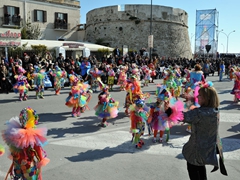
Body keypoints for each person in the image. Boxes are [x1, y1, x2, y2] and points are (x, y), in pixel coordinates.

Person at [182, 82, 228, 180]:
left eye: (200, 95)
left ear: (206, 99)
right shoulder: (214, 110)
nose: (197, 97)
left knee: (194, 171)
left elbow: (182, 116)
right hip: (207, 148)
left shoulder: (199, 113)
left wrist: (169, 109)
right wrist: (191, 100)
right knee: (201, 170)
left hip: (196, 150)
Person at [2, 107, 50, 180]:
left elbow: (12, 149)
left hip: (17, 163)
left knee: (18, 176)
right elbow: (38, 149)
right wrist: (40, 159)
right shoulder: (32, 135)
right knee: (29, 177)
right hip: (27, 165)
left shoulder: (14, 132)